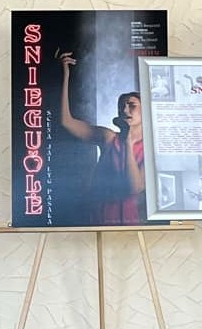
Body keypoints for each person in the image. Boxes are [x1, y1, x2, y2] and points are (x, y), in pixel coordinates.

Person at [58, 52, 146, 223]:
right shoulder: (108, 138)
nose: (125, 110)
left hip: (128, 222)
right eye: (121, 107)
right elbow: (66, 122)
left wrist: (128, 141)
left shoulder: (149, 148)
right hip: (97, 217)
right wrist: (65, 75)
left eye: (132, 106)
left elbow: (134, 188)